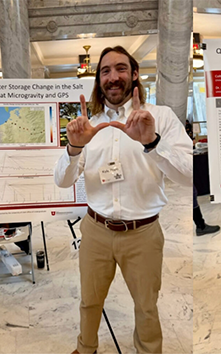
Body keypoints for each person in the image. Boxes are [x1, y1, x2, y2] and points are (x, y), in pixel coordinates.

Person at [54, 46, 192, 354]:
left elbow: (190, 175)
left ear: (133, 74)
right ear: (98, 80)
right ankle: (85, 348)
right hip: (95, 231)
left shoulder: (160, 117)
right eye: (105, 71)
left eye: (120, 69)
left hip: (143, 234)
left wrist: (152, 142)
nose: (113, 77)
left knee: (146, 306)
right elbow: (62, 180)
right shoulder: (88, 126)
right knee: (89, 301)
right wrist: (74, 148)